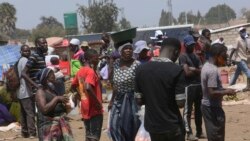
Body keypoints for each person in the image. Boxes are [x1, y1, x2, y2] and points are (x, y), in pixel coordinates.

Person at [135, 38, 186, 141]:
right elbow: (180, 103)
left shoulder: (141, 70)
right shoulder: (177, 70)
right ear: (176, 52)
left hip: (153, 126)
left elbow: (139, 101)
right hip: (172, 125)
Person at [108, 28, 140, 141]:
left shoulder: (137, 64)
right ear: (120, 51)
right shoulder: (116, 64)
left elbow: (141, 84)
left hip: (133, 101)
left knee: (132, 127)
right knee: (115, 126)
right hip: (118, 100)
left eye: (130, 48)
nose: (128, 51)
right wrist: (112, 101)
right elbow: (114, 83)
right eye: (125, 49)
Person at [201, 43, 236, 141]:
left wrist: (224, 90)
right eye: (224, 55)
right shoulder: (212, 70)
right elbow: (212, 92)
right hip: (213, 108)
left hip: (207, 106)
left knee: (213, 135)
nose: (225, 58)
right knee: (217, 135)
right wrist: (227, 91)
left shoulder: (206, 65)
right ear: (217, 56)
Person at [71, 49, 103, 141]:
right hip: (94, 108)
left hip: (85, 107)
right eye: (96, 59)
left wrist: (81, 97)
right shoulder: (90, 71)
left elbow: (73, 87)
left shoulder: (81, 71)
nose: (98, 60)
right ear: (89, 59)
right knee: (94, 137)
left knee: (89, 134)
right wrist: (97, 103)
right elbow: (88, 87)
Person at [36, 68, 74, 141]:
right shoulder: (40, 92)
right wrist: (57, 99)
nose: (54, 77)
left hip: (59, 125)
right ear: (46, 79)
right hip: (48, 126)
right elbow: (44, 109)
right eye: (52, 76)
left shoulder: (53, 91)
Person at [179, 35, 204, 140]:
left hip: (198, 85)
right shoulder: (183, 56)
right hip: (188, 86)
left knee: (199, 110)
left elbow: (202, 71)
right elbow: (187, 73)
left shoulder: (196, 57)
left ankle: (199, 131)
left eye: (193, 44)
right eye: (190, 45)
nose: (192, 46)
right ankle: (188, 133)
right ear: (185, 45)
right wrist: (195, 70)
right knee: (188, 111)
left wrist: (193, 69)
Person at [17, 45, 36, 138]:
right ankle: (32, 132)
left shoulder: (19, 61)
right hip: (26, 91)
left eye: (28, 51)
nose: (27, 53)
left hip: (20, 92)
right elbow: (25, 75)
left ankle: (24, 132)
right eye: (25, 51)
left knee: (23, 113)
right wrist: (33, 86)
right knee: (30, 112)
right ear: (21, 52)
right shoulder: (24, 61)